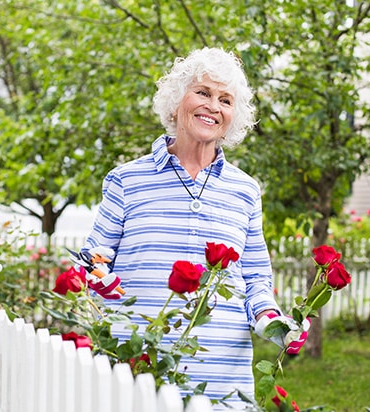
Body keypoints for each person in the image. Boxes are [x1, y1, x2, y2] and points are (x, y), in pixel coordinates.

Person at [82, 47, 308, 410]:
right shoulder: (127, 180)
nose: (213, 106)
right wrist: (98, 278)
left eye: (225, 100)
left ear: (233, 117)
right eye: (202, 92)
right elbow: (92, 259)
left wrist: (273, 323)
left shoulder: (245, 190)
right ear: (176, 103)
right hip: (138, 365)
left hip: (220, 375)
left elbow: (254, 279)